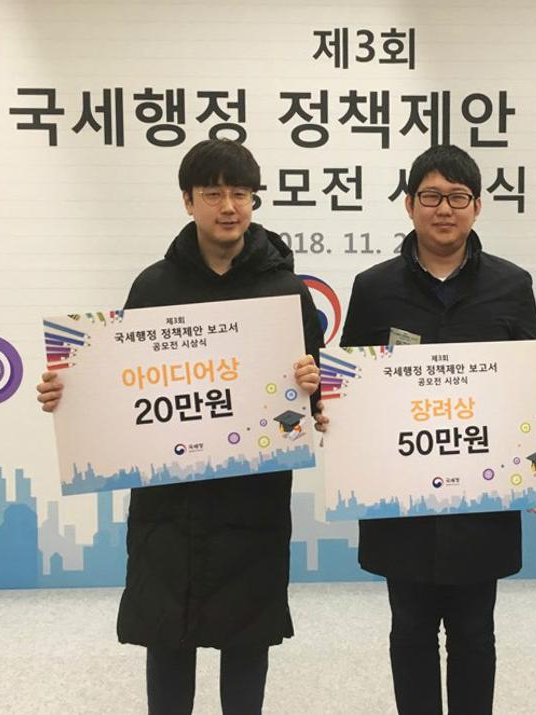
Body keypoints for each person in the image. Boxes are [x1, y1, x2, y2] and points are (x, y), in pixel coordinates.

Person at [37, 139, 324, 715]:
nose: (228, 206)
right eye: (212, 193)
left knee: (248, 641)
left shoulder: (285, 292)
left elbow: (312, 406)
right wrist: (70, 393)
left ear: (254, 200)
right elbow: (122, 384)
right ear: (188, 201)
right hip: (169, 501)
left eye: (240, 193)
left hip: (252, 496)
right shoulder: (154, 287)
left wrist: (312, 384)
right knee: (167, 637)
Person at [337, 144, 536, 715]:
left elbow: (530, 389)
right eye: (431, 197)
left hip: (482, 500)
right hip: (402, 502)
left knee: (476, 633)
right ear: (409, 205)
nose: (444, 209)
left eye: (457, 197)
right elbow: (351, 387)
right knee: (409, 632)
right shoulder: (374, 287)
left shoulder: (512, 284)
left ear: (477, 206)